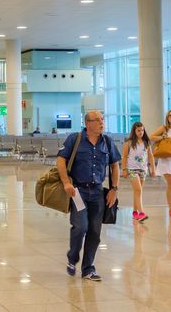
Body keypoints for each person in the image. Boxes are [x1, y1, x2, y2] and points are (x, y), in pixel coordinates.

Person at [56, 111, 120, 281]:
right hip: (79, 192)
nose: (102, 123)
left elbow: (115, 165)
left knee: (94, 232)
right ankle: (72, 256)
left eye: (102, 119)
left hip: (98, 192)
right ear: (88, 123)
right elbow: (61, 160)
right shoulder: (74, 139)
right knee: (80, 226)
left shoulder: (107, 141)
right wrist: (66, 183)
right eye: (97, 120)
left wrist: (114, 188)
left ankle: (88, 269)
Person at [121, 122, 155, 222]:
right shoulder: (128, 142)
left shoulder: (146, 142)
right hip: (132, 169)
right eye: (138, 130)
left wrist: (153, 169)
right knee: (138, 190)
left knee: (137, 191)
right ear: (134, 131)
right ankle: (141, 212)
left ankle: (135, 211)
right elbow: (124, 157)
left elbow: (150, 156)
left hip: (143, 170)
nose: (141, 132)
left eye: (142, 130)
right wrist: (124, 169)